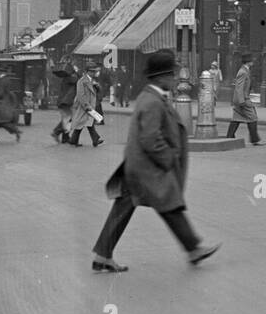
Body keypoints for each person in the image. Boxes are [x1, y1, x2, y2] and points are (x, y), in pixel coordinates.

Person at [90, 49, 219, 273]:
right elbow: (150, 138)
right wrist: (168, 158)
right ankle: (194, 249)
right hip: (147, 168)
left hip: (138, 166)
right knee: (170, 204)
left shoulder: (151, 97)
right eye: (172, 75)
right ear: (161, 76)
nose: (175, 78)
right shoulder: (152, 101)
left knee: (126, 208)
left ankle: (103, 255)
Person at [226, 53, 263, 145]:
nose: (253, 62)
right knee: (253, 117)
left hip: (240, 99)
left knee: (236, 118)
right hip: (243, 99)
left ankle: (229, 137)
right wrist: (241, 100)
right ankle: (254, 139)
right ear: (248, 62)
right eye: (252, 61)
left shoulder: (245, 70)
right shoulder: (243, 72)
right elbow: (239, 87)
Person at [69, 66, 103, 147]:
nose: (93, 73)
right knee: (84, 122)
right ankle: (95, 139)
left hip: (90, 105)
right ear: (87, 72)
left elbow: (97, 92)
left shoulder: (92, 81)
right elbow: (80, 95)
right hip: (83, 106)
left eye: (94, 71)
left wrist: (97, 87)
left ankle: (74, 140)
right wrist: (86, 105)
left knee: (87, 122)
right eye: (91, 71)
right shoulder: (81, 81)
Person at [0, 68, 23, 144]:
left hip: (0, 104)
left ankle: (16, 130)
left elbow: (0, 93)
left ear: (0, 72)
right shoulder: (6, 79)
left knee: (1, 122)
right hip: (3, 103)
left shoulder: (2, 81)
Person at [53, 64, 78, 143]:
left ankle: (65, 137)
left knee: (67, 118)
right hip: (65, 101)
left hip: (64, 101)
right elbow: (77, 80)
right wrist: (77, 72)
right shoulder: (70, 78)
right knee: (69, 118)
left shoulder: (67, 78)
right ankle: (56, 131)